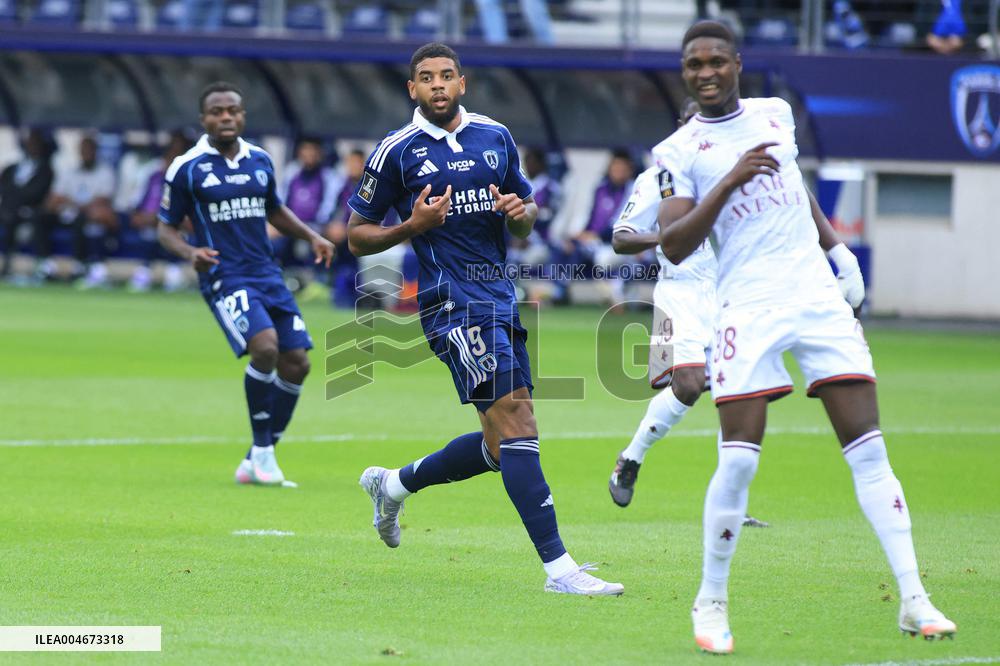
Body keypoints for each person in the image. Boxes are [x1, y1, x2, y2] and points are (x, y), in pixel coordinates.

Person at [655, 21, 955, 653]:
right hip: (747, 304)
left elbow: (794, 190)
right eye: (692, 65)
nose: (704, 72)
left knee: (870, 450)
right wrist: (731, 180)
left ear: (737, 62)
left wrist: (838, 252)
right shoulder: (676, 153)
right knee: (738, 459)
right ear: (684, 72)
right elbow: (675, 243)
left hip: (815, 299)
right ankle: (710, 601)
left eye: (715, 61)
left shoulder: (776, 114)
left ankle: (914, 597)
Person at [348, 42, 623, 596]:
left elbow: (522, 217)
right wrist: (412, 226)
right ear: (413, 90)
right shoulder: (395, 152)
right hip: (452, 302)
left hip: (501, 295)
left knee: (501, 446)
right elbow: (356, 235)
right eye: (426, 78)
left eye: (447, 76)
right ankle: (559, 570)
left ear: (462, 83)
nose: (438, 86)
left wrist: (521, 215)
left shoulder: (495, 137)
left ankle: (394, 484)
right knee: (520, 423)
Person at [608, 97, 864, 526]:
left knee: (738, 391)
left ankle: (732, 504)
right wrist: (671, 237)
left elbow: (797, 201)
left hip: (730, 290)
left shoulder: (743, 176)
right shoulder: (660, 176)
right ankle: (630, 458)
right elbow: (621, 236)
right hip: (682, 293)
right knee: (689, 384)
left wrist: (835, 257)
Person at [157, 81, 334, 486]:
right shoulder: (187, 166)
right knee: (266, 348)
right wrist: (190, 253)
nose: (225, 117)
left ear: (242, 116)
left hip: (267, 273)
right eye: (217, 111)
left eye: (232, 111)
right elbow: (164, 229)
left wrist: (312, 236)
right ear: (203, 119)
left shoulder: (260, 159)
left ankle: (257, 457)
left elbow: (274, 209)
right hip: (225, 275)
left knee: (299, 363)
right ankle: (265, 454)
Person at [273, 136, 345, 299]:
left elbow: (329, 206)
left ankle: (319, 283)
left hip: (318, 226)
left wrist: (314, 225)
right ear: (299, 152)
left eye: (313, 150)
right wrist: (278, 223)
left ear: (320, 153)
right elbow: (280, 201)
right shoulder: (292, 172)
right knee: (271, 238)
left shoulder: (329, 176)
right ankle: (277, 281)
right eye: (305, 150)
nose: (309, 154)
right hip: (290, 224)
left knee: (326, 237)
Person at [43, 135, 117, 288]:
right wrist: (73, 203)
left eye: (90, 149)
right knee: (41, 217)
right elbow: (55, 198)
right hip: (67, 214)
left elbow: (103, 200)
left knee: (82, 219)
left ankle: (78, 266)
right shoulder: (69, 172)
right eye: (84, 150)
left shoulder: (105, 172)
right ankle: (45, 265)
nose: (86, 153)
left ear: (96, 151)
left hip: (88, 216)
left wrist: (73, 203)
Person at [128, 131, 193, 292]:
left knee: (173, 231)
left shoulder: (192, 173)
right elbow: (135, 211)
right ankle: (144, 272)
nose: (174, 154)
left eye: (180, 150)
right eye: (172, 149)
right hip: (151, 224)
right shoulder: (152, 172)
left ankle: (174, 274)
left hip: (181, 226)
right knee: (152, 232)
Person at [0, 128, 55, 280]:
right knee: (8, 216)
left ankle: (41, 267)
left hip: (31, 211)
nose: (32, 146)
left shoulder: (45, 169)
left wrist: (16, 195)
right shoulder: (11, 168)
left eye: (35, 143)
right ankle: (7, 263)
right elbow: (4, 187)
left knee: (35, 220)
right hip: (8, 209)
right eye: (30, 142)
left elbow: (36, 192)